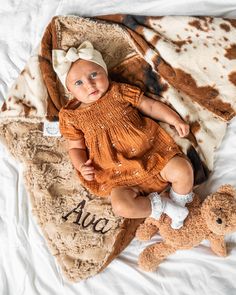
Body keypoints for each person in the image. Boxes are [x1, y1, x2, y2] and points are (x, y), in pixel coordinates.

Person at [53, 41, 194, 229]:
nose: (89, 84)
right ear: (69, 90)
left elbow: (149, 105)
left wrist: (175, 120)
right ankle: (165, 206)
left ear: (105, 73)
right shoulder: (70, 116)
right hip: (118, 175)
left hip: (153, 157)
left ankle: (179, 205)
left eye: (94, 75)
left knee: (183, 169)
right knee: (121, 206)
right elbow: (75, 146)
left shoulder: (118, 91)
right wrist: (81, 166)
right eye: (78, 83)